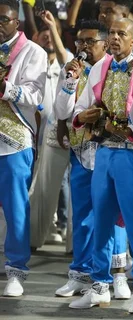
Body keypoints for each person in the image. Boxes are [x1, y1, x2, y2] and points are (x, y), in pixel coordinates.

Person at [68, 18, 133, 313]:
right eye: (112, 33)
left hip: (132, 153)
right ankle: (99, 286)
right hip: (103, 153)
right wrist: (84, 116)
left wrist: (131, 130)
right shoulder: (98, 68)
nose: (115, 37)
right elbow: (80, 107)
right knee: (102, 220)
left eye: (123, 33)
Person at [52, 19, 130, 299]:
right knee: (82, 215)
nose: (83, 47)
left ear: (105, 43)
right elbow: (62, 111)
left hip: (112, 152)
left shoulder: (116, 69)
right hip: (82, 152)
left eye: (89, 41)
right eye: (80, 41)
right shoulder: (72, 70)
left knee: (113, 216)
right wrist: (69, 83)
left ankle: (118, 275)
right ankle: (80, 274)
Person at [0, 0, 47, 296]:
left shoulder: (34, 52)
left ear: (16, 22)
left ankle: (16, 271)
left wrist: (5, 89)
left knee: (16, 207)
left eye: (3, 20)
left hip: (14, 139)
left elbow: (36, 93)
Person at [28, 9, 74, 248]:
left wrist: (54, 28)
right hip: (49, 132)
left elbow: (64, 58)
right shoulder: (32, 58)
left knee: (75, 190)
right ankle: (33, 238)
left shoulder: (77, 62)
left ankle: (75, 245)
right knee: (43, 188)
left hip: (77, 135)